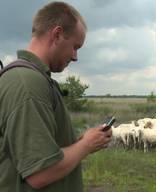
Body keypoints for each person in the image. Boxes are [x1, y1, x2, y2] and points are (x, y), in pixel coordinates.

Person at [0, 2, 112, 192]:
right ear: (57, 34)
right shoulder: (27, 84)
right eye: (75, 47)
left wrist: (78, 143)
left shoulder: (36, 79)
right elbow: (40, 173)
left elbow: (43, 152)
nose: (75, 57)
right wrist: (85, 145)